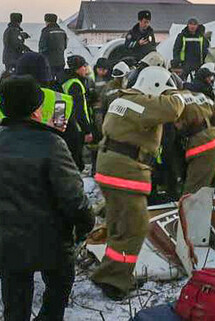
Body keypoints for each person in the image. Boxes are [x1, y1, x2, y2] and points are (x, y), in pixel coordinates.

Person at [0, 76, 94, 321]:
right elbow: (73, 197)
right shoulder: (51, 143)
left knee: (15, 303)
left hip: (8, 237)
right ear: (36, 107)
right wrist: (87, 222)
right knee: (57, 291)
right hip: (50, 237)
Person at [91, 67, 184, 300]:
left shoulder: (123, 99)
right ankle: (115, 282)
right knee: (135, 227)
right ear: (154, 86)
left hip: (109, 166)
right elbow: (174, 108)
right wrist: (177, 92)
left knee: (118, 225)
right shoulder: (141, 103)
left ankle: (108, 272)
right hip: (125, 170)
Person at [176, 90, 215, 195]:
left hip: (200, 146)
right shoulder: (197, 95)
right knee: (206, 173)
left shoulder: (170, 102)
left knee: (193, 192)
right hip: (214, 140)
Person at [62, 55, 95, 169]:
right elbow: (79, 109)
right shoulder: (75, 84)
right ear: (78, 69)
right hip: (77, 128)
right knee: (77, 162)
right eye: (83, 66)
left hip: (69, 126)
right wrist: (87, 130)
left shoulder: (67, 81)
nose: (86, 69)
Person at [38, 13, 67, 79]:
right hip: (61, 61)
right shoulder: (62, 32)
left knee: (49, 81)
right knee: (60, 81)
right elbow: (65, 46)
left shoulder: (46, 31)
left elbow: (42, 47)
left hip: (49, 62)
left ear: (47, 21)